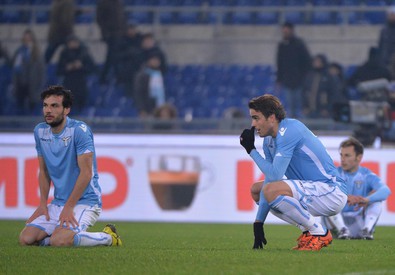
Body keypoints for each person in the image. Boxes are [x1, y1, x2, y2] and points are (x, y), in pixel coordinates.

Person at [239, 94, 347, 251]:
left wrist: (251, 150)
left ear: (271, 117)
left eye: (256, 118)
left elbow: (275, 176)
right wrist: (258, 223)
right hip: (313, 190)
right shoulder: (269, 140)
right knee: (257, 190)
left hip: (331, 191)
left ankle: (319, 232)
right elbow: (271, 179)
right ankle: (309, 232)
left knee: (270, 190)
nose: (253, 124)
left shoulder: (289, 130)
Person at [19, 86, 122, 247]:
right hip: (58, 202)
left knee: (59, 241)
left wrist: (69, 206)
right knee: (26, 239)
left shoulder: (79, 131)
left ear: (66, 109)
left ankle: (108, 237)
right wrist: (42, 204)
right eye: (45, 105)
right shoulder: (40, 132)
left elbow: (86, 173)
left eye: (54, 106)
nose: (48, 110)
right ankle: (59, 236)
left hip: (85, 201)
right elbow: (44, 171)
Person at [322, 137, 391, 240]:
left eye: (347, 155)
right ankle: (342, 230)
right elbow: (322, 192)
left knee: (376, 201)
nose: (342, 159)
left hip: (357, 223)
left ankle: (366, 231)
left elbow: (386, 191)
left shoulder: (367, 175)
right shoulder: (334, 174)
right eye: (341, 155)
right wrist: (345, 197)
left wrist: (366, 199)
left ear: (359, 157)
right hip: (335, 223)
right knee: (327, 200)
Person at [276, 22, 311, 118]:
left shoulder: (299, 44)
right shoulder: (282, 45)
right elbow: (279, 63)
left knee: (300, 106)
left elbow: (307, 61)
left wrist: (304, 77)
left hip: (300, 81)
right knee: (290, 107)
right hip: (287, 81)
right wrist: (279, 79)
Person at [56, 35, 96, 113]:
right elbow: (59, 70)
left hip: (81, 83)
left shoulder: (84, 53)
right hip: (68, 83)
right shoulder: (64, 54)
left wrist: (81, 66)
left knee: (80, 104)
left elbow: (92, 68)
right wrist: (67, 68)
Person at [11, 29, 46, 115]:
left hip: (33, 85)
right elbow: (15, 68)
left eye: (29, 38)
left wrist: (39, 87)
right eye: (25, 38)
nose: (27, 40)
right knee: (20, 107)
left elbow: (41, 72)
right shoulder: (19, 52)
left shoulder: (37, 53)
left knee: (32, 108)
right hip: (21, 84)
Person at [96, 0, 127, 84]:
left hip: (119, 33)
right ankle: (116, 76)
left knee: (111, 56)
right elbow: (100, 19)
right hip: (110, 34)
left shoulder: (119, 3)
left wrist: (124, 31)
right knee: (113, 55)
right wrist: (106, 32)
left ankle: (105, 77)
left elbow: (123, 18)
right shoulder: (103, 3)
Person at [302, 54, 337, 119]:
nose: (316, 63)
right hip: (310, 110)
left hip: (323, 111)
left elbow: (333, 94)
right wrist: (305, 106)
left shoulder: (328, 76)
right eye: (315, 62)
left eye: (318, 62)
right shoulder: (310, 75)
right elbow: (304, 92)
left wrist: (327, 109)